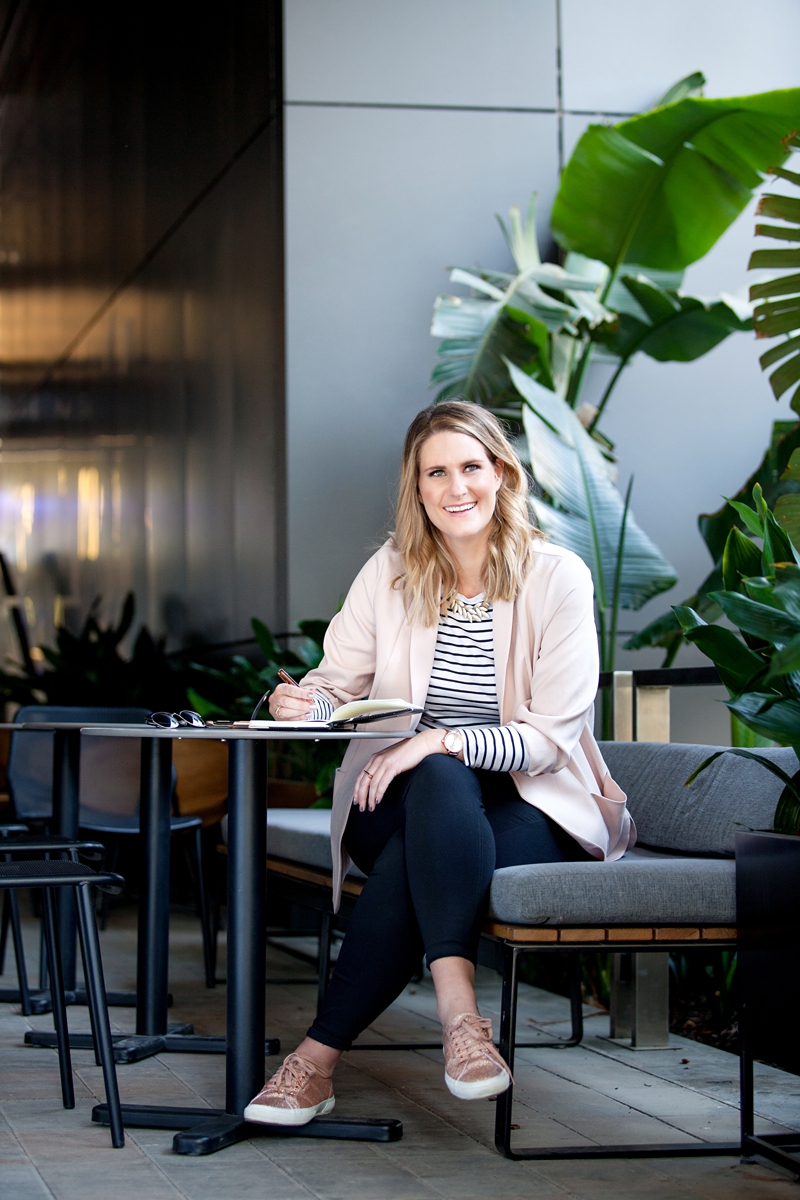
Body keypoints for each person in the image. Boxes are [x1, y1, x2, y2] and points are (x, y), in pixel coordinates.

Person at [244, 400, 632, 1127]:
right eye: (437, 473)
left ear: (502, 473)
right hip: (393, 798)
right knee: (434, 784)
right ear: (417, 488)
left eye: (471, 467)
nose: (457, 488)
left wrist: (439, 740)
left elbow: (551, 737)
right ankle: (461, 1019)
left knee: (425, 817)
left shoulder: (559, 578)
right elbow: (335, 681)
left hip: (530, 802)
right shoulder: (391, 571)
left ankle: (316, 1062)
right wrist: (304, 704)